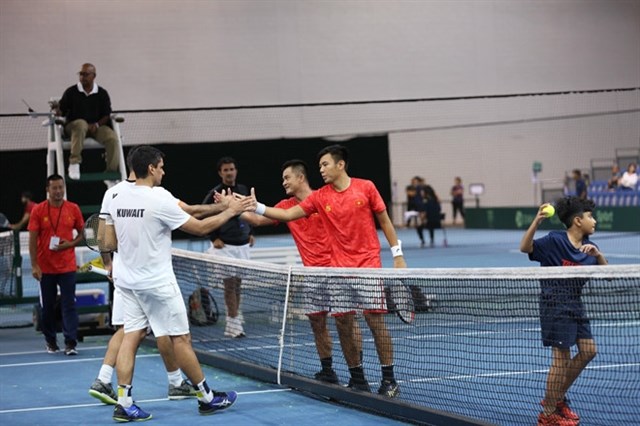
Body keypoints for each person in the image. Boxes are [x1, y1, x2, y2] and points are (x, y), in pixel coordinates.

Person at [103, 145, 250, 421]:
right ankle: (207, 398)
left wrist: (111, 263)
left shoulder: (113, 194)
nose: (163, 171)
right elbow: (200, 227)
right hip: (157, 283)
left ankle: (124, 402)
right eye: (160, 166)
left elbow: (104, 237)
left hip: (127, 281)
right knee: (180, 338)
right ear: (151, 168)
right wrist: (232, 210)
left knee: (131, 336)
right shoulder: (157, 200)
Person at [250, 144, 406, 398]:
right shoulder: (321, 196)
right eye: (320, 165)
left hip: (367, 267)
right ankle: (358, 378)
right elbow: (289, 213)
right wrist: (257, 207)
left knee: (375, 323)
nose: (320, 170)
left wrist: (397, 255)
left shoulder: (365, 187)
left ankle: (389, 380)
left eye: (325, 165)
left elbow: (385, 221)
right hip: (337, 271)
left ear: (340, 164)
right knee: (343, 323)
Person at [241, 159, 362, 385]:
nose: (283, 182)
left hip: (337, 271)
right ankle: (328, 370)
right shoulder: (286, 206)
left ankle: (357, 373)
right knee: (317, 323)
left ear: (300, 178)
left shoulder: (325, 198)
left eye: (287, 178)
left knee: (346, 322)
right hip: (311, 275)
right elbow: (257, 219)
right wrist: (232, 208)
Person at [520, 196, 607, 426]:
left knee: (589, 351)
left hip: (576, 304)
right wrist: (537, 221)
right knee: (561, 358)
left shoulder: (591, 247)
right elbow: (525, 247)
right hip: (555, 304)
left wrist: (598, 256)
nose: (594, 221)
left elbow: (608, 275)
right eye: (590, 217)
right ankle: (548, 413)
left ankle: (556, 398)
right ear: (578, 221)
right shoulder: (554, 241)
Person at [28, 175, 84, 355]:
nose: (58, 191)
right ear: (48, 190)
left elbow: (83, 233)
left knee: (69, 305)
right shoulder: (38, 210)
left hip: (67, 266)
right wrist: (34, 265)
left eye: (61, 187)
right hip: (45, 268)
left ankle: (71, 343)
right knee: (48, 307)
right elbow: (32, 239)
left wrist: (71, 244)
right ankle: (51, 341)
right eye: (55, 188)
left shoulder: (73, 208)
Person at [202, 157, 254, 338]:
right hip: (225, 247)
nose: (229, 172)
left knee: (237, 285)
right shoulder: (215, 193)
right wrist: (213, 236)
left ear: (236, 171)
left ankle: (234, 318)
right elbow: (203, 214)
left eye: (232, 169)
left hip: (243, 245)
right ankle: (233, 325)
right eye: (226, 170)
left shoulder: (243, 190)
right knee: (230, 286)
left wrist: (250, 232)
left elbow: (250, 211)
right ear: (220, 173)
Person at [55, 63, 119, 180]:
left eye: (85, 74)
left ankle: (111, 175)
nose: (82, 77)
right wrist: (57, 110)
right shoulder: (71, 92)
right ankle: (74, 163)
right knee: (81, 124)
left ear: (94, 76)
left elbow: (106, 114)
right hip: (74, 127)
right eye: (80, 74)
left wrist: (97, 124)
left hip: (96, 127)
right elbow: (62, 111)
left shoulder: (102, 93)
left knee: (112, 138)